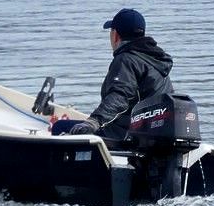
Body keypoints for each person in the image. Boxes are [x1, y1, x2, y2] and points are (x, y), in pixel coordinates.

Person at [60, 8, 174, 142]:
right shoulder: (155, 60)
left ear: (115, 35)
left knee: (60, 126)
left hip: (128, 135)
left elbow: (120, 96)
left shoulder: (126, 59)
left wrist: (94, 121)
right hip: (151, 132)